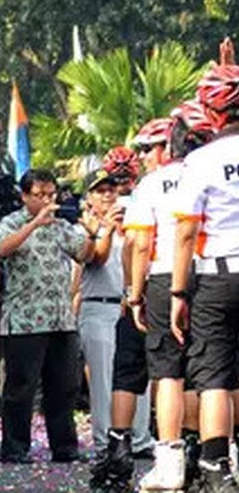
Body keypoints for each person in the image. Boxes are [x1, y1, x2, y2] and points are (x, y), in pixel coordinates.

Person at [129, 109, 212, 492]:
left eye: (149, 147)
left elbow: (141, 242)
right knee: (213, 372)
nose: (145, 156)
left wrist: (134, 294)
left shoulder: (152, 184)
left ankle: (170, 463)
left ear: (167, 146)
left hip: (164, 276)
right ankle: (217, 453)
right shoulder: (209, 168)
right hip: (212, 270)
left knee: (168, 373)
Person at [0, 168, 94, 464]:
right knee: (21, 387)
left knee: (63, 386)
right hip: (25, 319)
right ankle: (15, 447)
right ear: (25, 196)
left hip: (60, 317)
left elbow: (84, 254)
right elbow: (2, 248)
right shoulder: (11, 222)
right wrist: (35, 224)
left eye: (51, 194)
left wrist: (93, 231)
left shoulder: (61, 226)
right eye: (39, 195)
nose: (47, 200)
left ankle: (65, 447)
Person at [171, 64, 239, 492]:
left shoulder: (201, 160)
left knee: (214, 374)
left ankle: (216, 464)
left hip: (218, 275)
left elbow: (185, 230)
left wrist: (178, 291)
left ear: (211, 115)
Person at [76, 169, 153, 461]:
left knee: (136, 374)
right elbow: (97, 258)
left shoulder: (133, 223)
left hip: (131, 305)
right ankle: (105, 440)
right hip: (99, 305)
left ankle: (139, 438)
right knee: (104, 377)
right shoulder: (84, 227)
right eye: (99, 191)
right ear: (89, 197)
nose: (107, 195)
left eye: (111, 189)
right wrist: (105, 229)